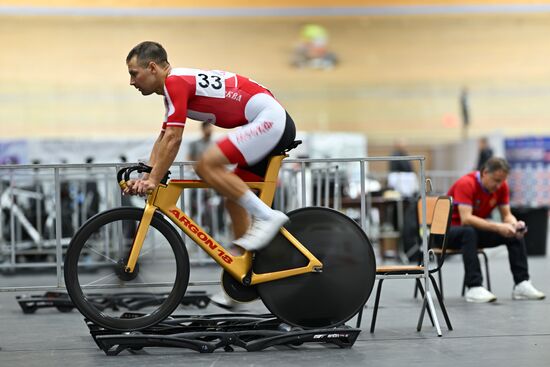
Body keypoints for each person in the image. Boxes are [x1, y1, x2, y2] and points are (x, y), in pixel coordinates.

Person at [123, 41, 295, 256]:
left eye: (133, 73)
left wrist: (153, 180)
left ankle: (268, 216)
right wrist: (146, 175)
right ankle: (243, 276)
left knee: (206, 164)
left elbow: (174, 139)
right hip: (268, 120)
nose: (131, 82)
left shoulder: (175, 83)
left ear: (152, 68)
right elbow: (164, 137)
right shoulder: (173, 87)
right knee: (234, 200)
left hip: (269, 119)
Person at [446, 157, 545, 303]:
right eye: (496, 180)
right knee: (469, 231)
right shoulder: (466, 184)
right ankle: (474, 287)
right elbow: (466, 219)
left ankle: (522, 284)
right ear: (485, 172)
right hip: (446, 233)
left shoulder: (501, 187)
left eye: (502, 181)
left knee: (513, 235)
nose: (499, 185)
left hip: (471, 233)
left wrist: (514, 225)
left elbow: (506, 215)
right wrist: (498, 227)